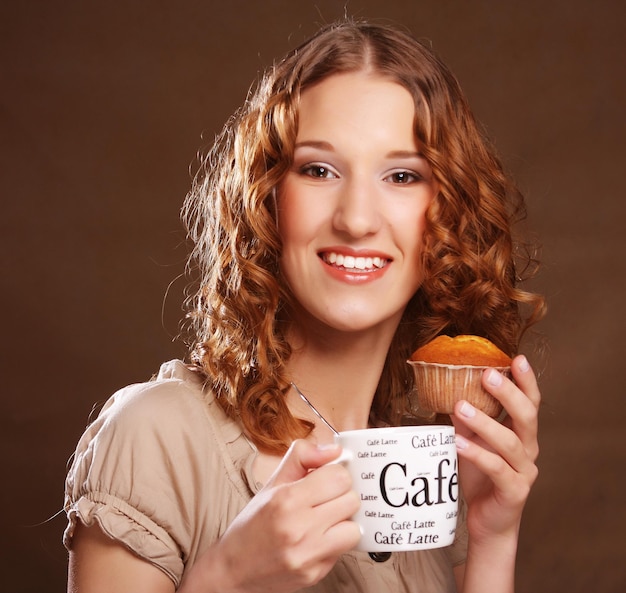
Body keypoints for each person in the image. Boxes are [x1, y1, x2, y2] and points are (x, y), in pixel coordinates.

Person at [64, 19, 546, 593]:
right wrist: (229, 578)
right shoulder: (156, 437)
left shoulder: (429, 480)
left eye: (401, 175)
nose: (357, 218)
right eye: (319, 169)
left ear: (447, 214)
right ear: (268, 197)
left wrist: (494, 537)